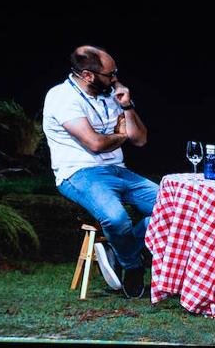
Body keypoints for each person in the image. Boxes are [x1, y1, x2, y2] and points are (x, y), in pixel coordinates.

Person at [43, 45, 157, 298]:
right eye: (110, 74)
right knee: (116, 219)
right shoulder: (61, 97)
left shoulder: (111, 95)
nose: (116, 78)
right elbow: (94, 143)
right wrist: (119, 134)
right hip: (79, 172)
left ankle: (123, 249)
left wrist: (127, 107)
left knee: (175, 208)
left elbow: (139, 139)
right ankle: (133, 266)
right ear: (88, 76)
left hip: (118, 170)